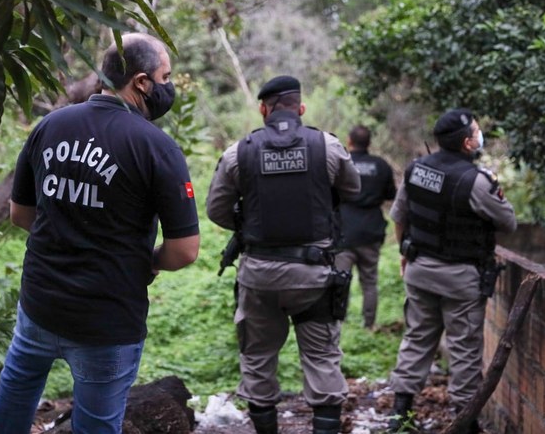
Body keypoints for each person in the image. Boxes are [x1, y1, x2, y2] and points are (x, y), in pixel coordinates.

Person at [0, 33, 200, 434]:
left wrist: (63, 237)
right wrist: (148, 262)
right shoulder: (158, 148)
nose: (168, 85)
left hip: (40, 304)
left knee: (14, 398)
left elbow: (20, 213)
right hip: (107, 320)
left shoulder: (50, 125)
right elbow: (186, 250)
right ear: (142, 82)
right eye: (166, 75)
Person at [206, 75, 361, 434]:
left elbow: (216, 210)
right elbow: (353, 189)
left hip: (259, 275)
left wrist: (250, 227)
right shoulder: (328, 146)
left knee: (258, 361)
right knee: (322, 361)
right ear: (301, 108)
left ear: (263, 109)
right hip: (315, 274)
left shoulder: (238, 152)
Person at [386, 108, 516, 433]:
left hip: (419, 270)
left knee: (417, 338)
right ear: (467, 143)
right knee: (464, 348)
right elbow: (508, 222)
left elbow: (400, 216)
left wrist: (405, 253)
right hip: (461, 278)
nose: (479, 135)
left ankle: (399, 415)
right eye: (476, 131)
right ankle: (465, 421)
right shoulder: (476, 181)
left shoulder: (415, 170)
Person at [334, 125, 396, 329]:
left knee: (340, 280)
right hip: (371, 231)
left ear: (349, 141)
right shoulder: (381, 165)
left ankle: (337, 321)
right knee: (370, 282)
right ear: (369, 143)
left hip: (344, 231)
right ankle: (368, 325)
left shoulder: (341, 164)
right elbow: (390, 194)